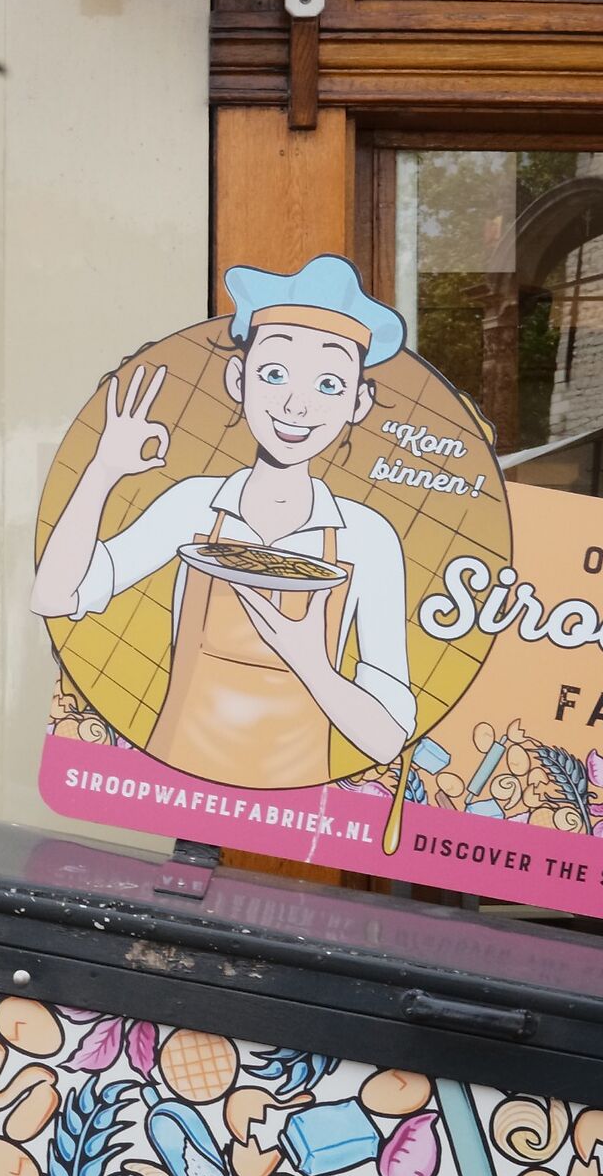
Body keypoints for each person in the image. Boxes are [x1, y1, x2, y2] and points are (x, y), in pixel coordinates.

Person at [31, 254, 418, 788]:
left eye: (328, 384)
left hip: (299, 804)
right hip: (180, 786)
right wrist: (102, 471)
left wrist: (313, 665)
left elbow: (388, 735)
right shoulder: (194, 506)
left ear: (359, 401)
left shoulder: (369, 538)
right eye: (274, 374)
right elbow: (55, 597)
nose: (297, 405)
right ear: (238, 379)